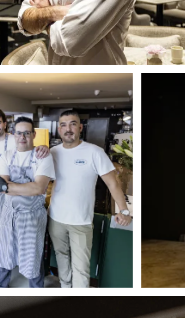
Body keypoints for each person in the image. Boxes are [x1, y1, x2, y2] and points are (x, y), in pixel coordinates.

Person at [47, 110, 132, 288]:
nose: (68, 129)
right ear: (59, 130)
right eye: (63, 125)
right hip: (55, 217)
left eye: (72, 124)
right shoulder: (52, 152)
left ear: (80, 128)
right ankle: (65, 289)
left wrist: (124, 211)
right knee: (61, 257)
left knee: (81, 268)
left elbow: (113, 183)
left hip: (81, 220)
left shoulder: (94, 152)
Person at [0, 110, 48, 277]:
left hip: (17, 198)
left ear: (5, 124)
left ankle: (14, 267)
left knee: (11, 237)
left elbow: (30, 151)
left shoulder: (15, 141)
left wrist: (43, 147)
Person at [0, 116, 56, 288]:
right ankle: (0, 287)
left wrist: (10, 186)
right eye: (19, 133)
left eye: (27, 133)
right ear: (13, 134)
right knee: (4, 251)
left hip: (32, 216)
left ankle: (35, 291)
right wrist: (27, 187)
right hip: (9, 213)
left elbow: (39, 188)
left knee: (32, 255)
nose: (22, 137)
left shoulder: (43, 157)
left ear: (33, 134)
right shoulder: (7, 155)